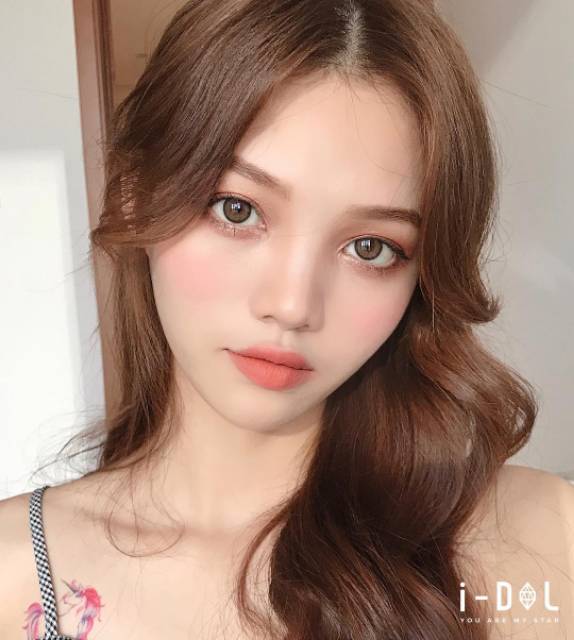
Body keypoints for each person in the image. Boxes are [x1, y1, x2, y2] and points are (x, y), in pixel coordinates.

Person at [1, 0, 573, 638]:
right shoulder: (16, 570)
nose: (294, 305)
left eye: (370, 248)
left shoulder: (543, 540)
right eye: (238, 210)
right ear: (136, 197)